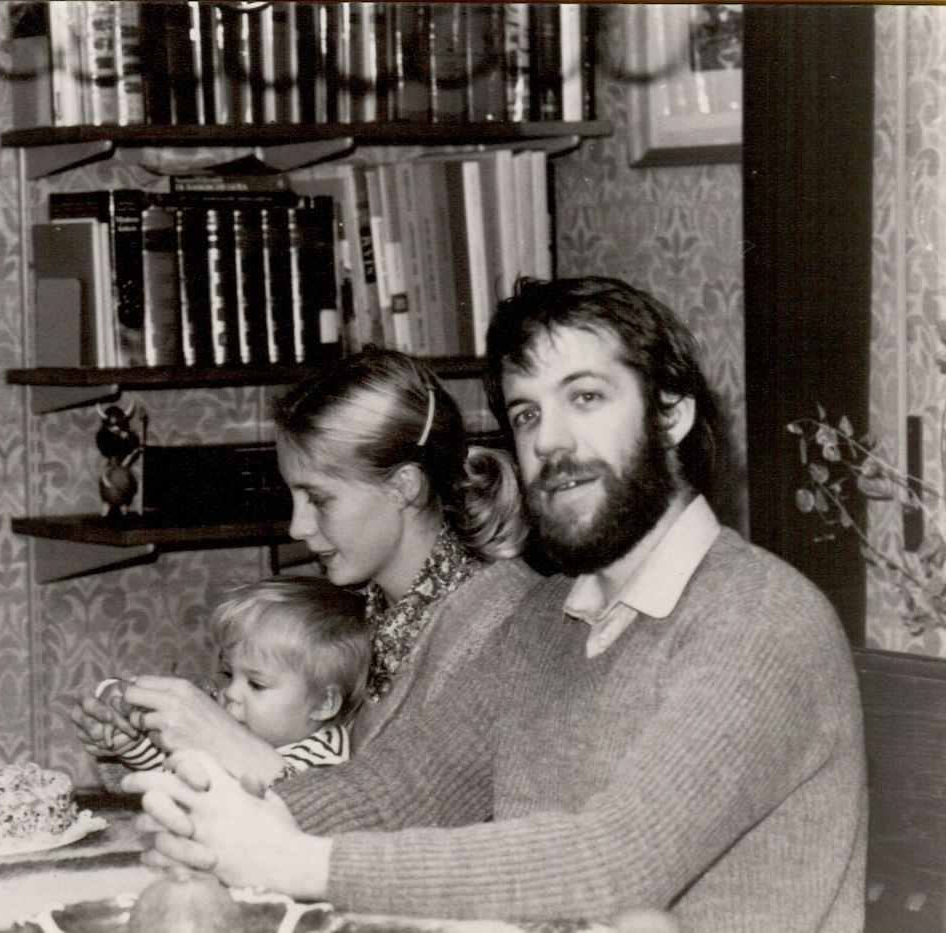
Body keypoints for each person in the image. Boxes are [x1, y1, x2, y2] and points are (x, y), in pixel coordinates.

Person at [124, 277, 867, 933]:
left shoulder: (763, 618)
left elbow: (615, 860)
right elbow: (402, 788)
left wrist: (297, 860)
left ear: (670, 415)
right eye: (526, 414)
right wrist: (232, 816)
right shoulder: (548, 619)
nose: (552, 442)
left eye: (585, 397)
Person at [72, 348, 534, 787]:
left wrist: (231, 743)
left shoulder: (495, 629)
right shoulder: (367, 613)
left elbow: (404, 821)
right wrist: (142, 742)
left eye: (318, 498)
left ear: (403, 487)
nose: (297, 526)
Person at [82, 576, 369, 778]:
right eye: (228, 674)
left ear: (323, 702)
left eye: (256, 684)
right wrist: (131, 743)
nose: (231, 692)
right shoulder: (253, 737)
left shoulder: (320, 764)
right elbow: (177, 773)